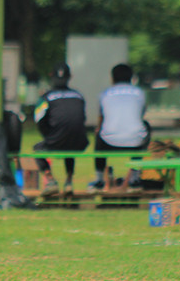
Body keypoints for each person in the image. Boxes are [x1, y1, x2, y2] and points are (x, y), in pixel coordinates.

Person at [33, 62, 89, 196]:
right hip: (80, 143)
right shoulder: (78, 95)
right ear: (70, 76)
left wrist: (48, 136)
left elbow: (39, 120)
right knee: (70, 143)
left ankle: (51, 180)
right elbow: (81, 119)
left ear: (51, 76)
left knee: (38, 149)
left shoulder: (46, 97)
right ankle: (69, 181)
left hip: (56, 141)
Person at [93, 63, 150, 190]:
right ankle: (135, 178)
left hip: (108, 142)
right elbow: (140, 114)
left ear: (112, 78)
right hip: (135, 142)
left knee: (98, 132)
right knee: (144, 128)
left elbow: (101, 118)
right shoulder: (140, 92)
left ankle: (99, 179)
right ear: (131, 78)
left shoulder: (105, 93)